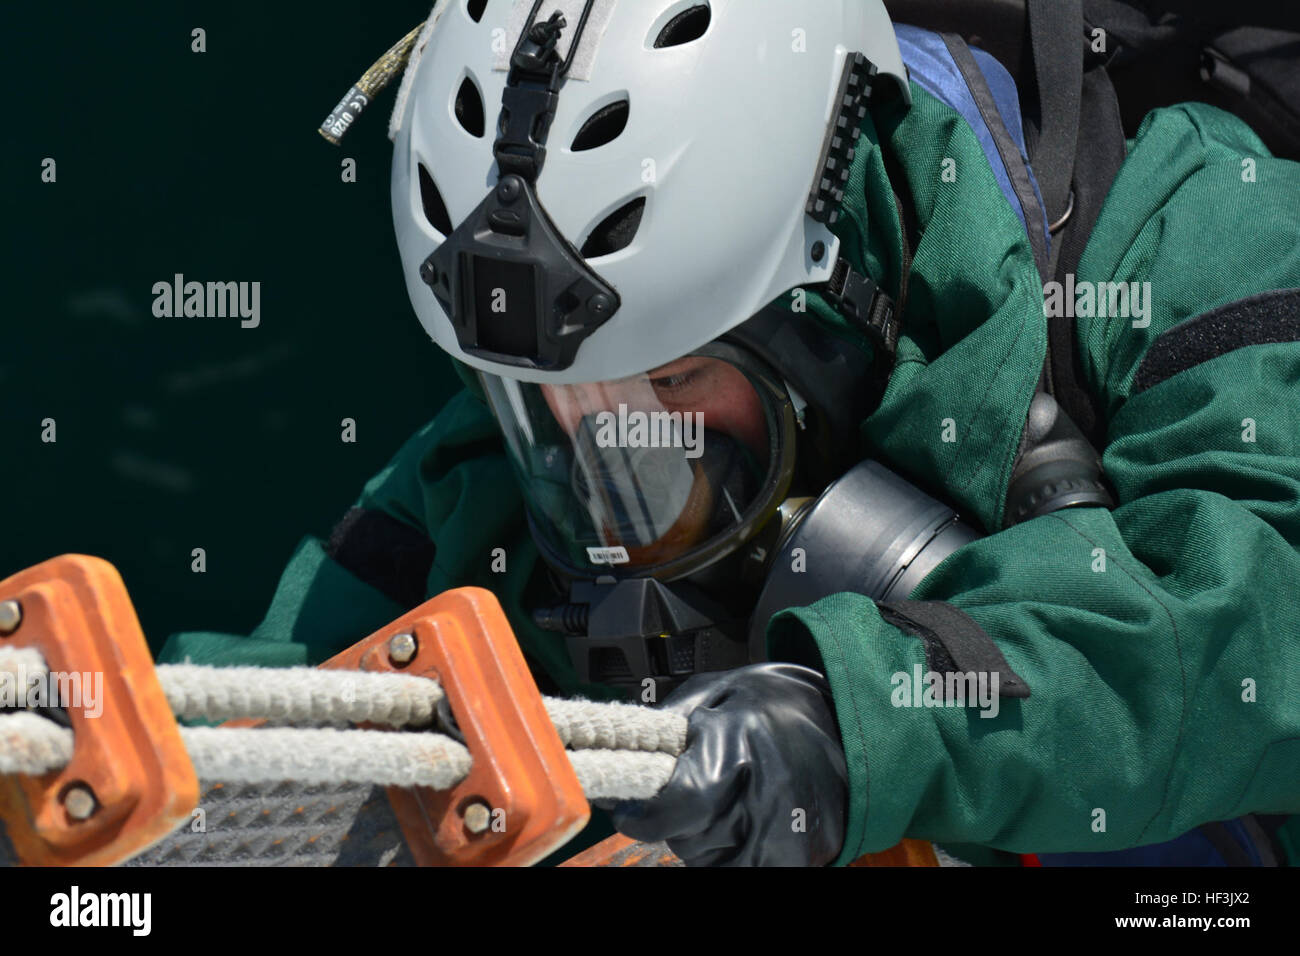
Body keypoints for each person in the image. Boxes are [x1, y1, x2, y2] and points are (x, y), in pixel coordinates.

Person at [158, 0, 1300, 866]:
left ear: (831, 292)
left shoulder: (1202, 231)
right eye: (544, 401)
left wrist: (854, 724)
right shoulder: (557, 402)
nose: (608, 452)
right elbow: (305, 701)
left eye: (677, 378)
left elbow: (1254, 624)